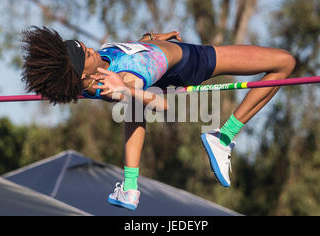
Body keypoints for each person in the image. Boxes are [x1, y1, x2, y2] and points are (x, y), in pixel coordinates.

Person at [21, 26, 296, 211]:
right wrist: (127, 89)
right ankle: (223, 137)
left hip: (176, 54)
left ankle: (130, 188)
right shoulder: (124, 80)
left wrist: (151, 40)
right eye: (83, 55)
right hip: (199, 61)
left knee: (133, 107)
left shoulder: (103, 72)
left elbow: (130, 60)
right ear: (83, 76)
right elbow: (165, 107)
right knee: (284, 63)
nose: (87, 48)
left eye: (80, 46)